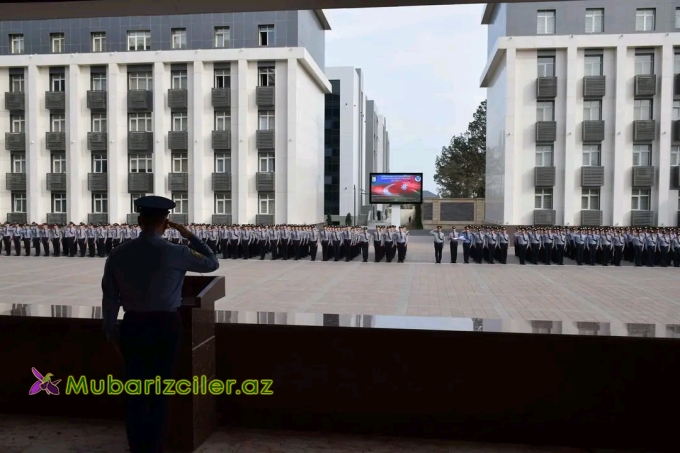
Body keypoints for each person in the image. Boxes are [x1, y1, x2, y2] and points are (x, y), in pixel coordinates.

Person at [101, 195, 220, 453]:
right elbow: (212, 262)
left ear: (139, 220)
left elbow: (110, 297)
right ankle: (156, 446)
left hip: (132, 326)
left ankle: (137, 446)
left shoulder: (119, 253)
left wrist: (111, 332)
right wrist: (189, 236)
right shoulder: (176, 251)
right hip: (165, 327)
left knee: (134, 390)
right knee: (160, 391)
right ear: (166, 222)